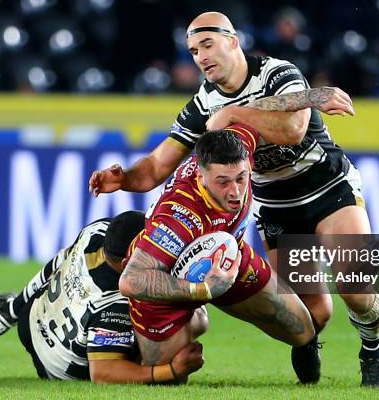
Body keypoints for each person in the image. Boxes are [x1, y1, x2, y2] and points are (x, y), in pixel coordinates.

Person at [89, 12, 379, 387]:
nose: (201, 56)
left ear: (233, 41)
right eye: (194, 51)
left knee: (353, 286)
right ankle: (307, 342)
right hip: (276, 203)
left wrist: (232, 113)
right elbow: (156, 166)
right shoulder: (202, 104)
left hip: (328, 186)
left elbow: (294, 130)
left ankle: (372, 351)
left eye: (208, 45)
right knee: (315, 314)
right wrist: (126, 178)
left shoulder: (276, 74)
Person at [118, 126, 317, 381]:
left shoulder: (240, 146)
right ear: (201, 177)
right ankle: (169, 326)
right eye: (222, 182)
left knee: (303, 329)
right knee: (169, 378)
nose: (235, 191)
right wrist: (201, 290)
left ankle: (314, 389)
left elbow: (253, 113)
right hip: (164, 287)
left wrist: (310, 98)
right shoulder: (178, 217)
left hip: (226, 255)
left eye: (242, 178)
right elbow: (130, 280)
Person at [0, 211, 204, 384]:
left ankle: (12, 310)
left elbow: (58, 261)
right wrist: (172, 370)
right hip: (63, 369)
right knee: (169, 322)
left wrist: (13, 308)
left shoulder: (98, 231)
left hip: (30, 320)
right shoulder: (116, 300)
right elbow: (104, 373)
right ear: (129, 260)